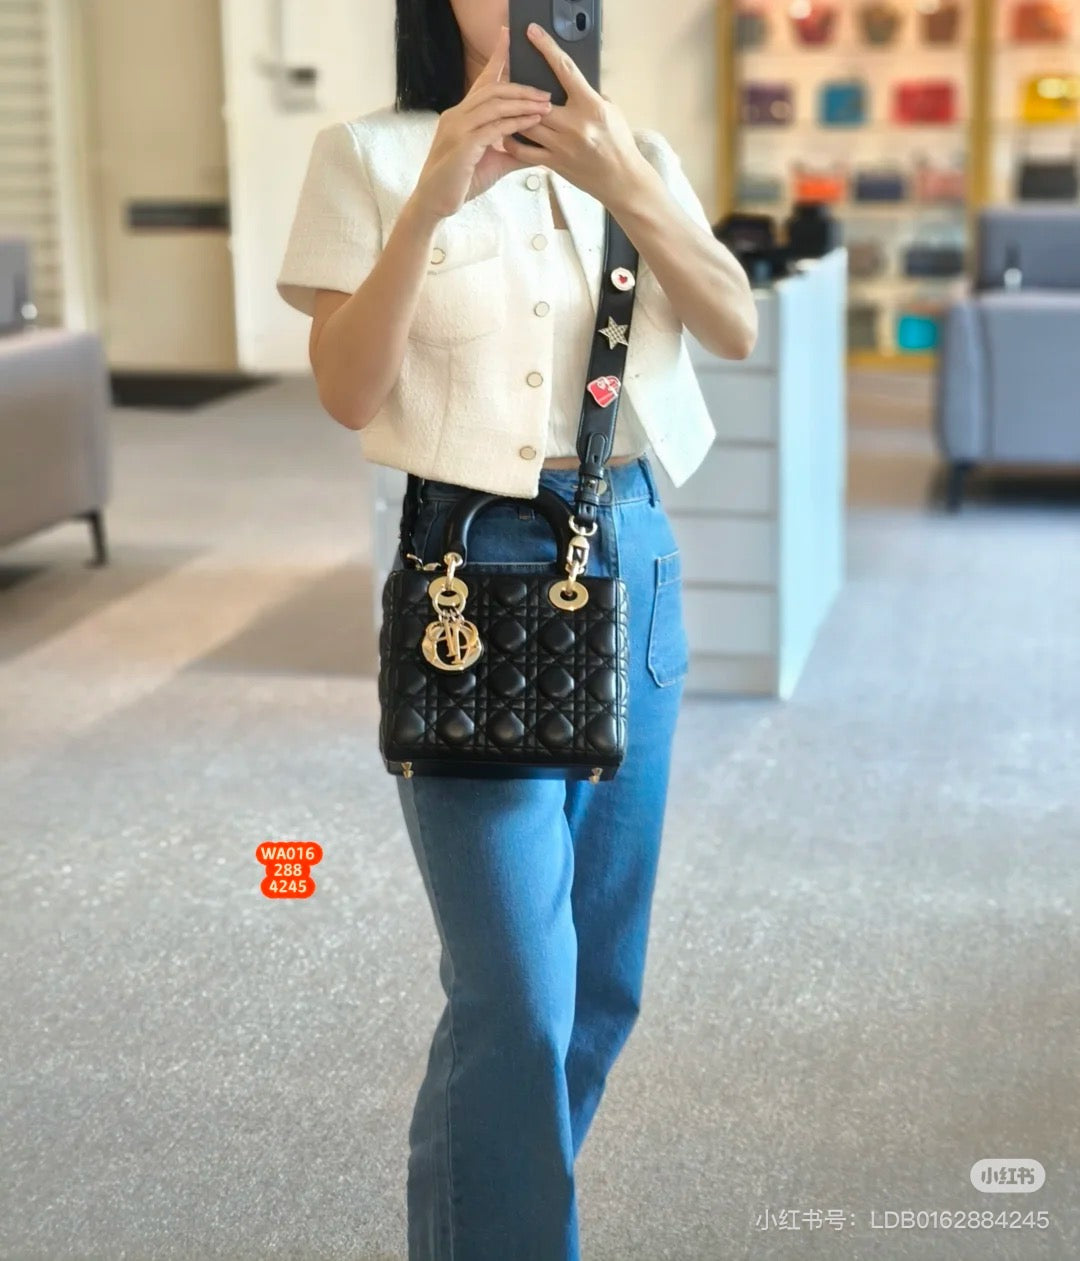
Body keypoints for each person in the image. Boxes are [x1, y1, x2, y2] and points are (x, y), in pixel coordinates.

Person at [276, 4, 757, 1257]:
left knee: (600, 987)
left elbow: (733, 323)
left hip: (631, 555)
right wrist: (432, 201)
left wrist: (626, 185)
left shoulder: (637, 152)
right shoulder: (371, 155)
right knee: (517, 998)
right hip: (471, 577)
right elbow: (347, 389)